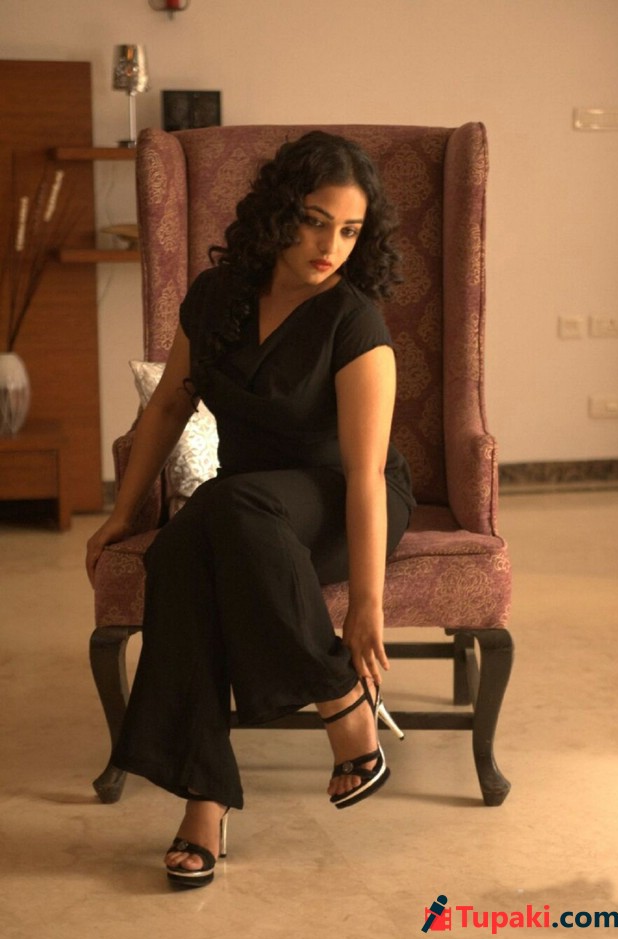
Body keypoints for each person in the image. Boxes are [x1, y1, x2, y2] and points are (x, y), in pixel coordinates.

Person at [86, 130, 415, 889]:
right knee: (180, 550)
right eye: (315, 221)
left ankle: (339, 700)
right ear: (279, 211)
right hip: (246, 510)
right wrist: (121, 513)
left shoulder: (353, 320)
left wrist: (367, 605)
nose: (330, 246)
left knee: (225, 509)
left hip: (340, 502)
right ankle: (207, 796)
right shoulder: (217, 298)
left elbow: (366, 473)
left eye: (350, 230)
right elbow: (168, 406)